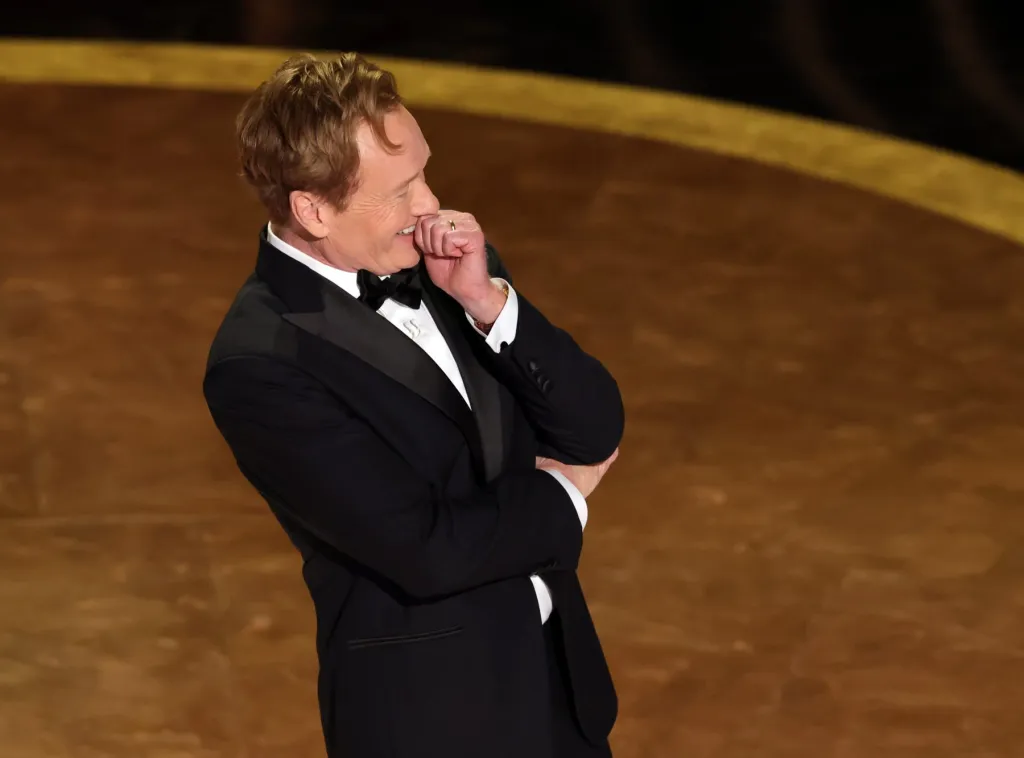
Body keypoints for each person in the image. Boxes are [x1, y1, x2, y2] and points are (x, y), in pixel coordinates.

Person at [203, 52, 625, 758]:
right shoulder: (260, 362)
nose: (430, 204)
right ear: (313, 209)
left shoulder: (448, 267)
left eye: (425, 173)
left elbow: (594, 425)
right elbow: (424, 549)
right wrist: (565, 493)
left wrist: (488, 303)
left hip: (559, 692)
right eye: (400, 191)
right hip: (435, 720)